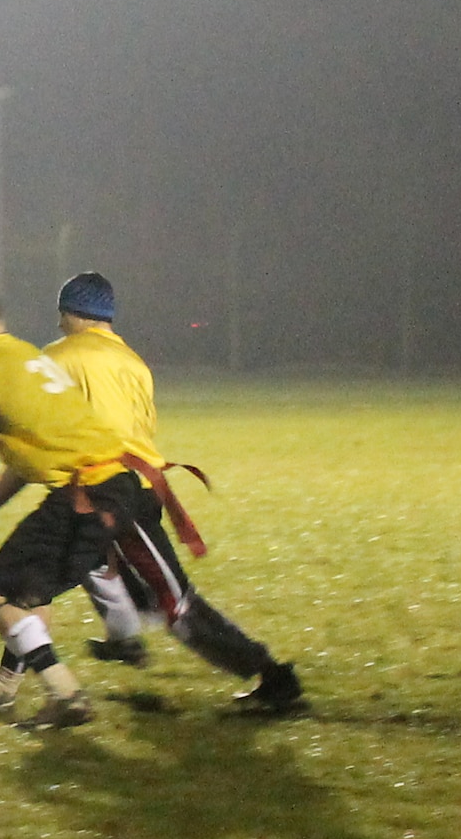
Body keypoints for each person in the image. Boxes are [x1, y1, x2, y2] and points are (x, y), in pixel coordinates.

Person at [46, 272, 303, 710]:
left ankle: (274, 679)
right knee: (95, 564)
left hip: (110, 494)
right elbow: (141, 429)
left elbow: (35, 420)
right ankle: (125, 636)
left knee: (176, 605)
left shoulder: (58, 357)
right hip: (141, 486)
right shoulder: (133, 362)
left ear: (69, 313)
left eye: (61, 316)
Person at [0, 276, 152, 730]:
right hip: (118, 486)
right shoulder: (28, 356)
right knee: (32, 592)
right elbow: (25, 464)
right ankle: (3, 688)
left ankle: (67, 694)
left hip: (83, 495)